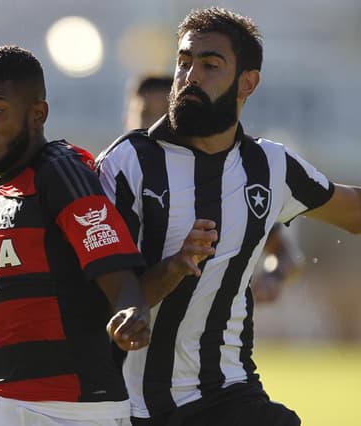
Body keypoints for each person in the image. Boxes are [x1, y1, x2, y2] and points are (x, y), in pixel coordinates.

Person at [96, 7, 361, 426]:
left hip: (227, 395)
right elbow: (104, 292)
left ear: (248, 83)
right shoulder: (126, 162)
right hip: (129, 406)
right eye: (184, 63)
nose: (190, 77)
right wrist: (173, 268)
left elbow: (354, 212)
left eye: (209, 65)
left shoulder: (271, 166)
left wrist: (276, 273)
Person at [0, 45, 161, 426]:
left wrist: (132, 310)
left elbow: (117, 273)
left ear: (37, 115)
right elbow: (40, 306)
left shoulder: (62, 174)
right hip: (4, 399)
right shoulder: (7, 192)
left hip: (74, 410)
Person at [123, 73, 304, 304]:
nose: (154, 123)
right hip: (125, 329)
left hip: (200, 335)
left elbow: (288, 255)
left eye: (163, 115)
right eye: (145, 113)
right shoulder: (110, 177)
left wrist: (274, 275)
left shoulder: (221, 183)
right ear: (127, 117)